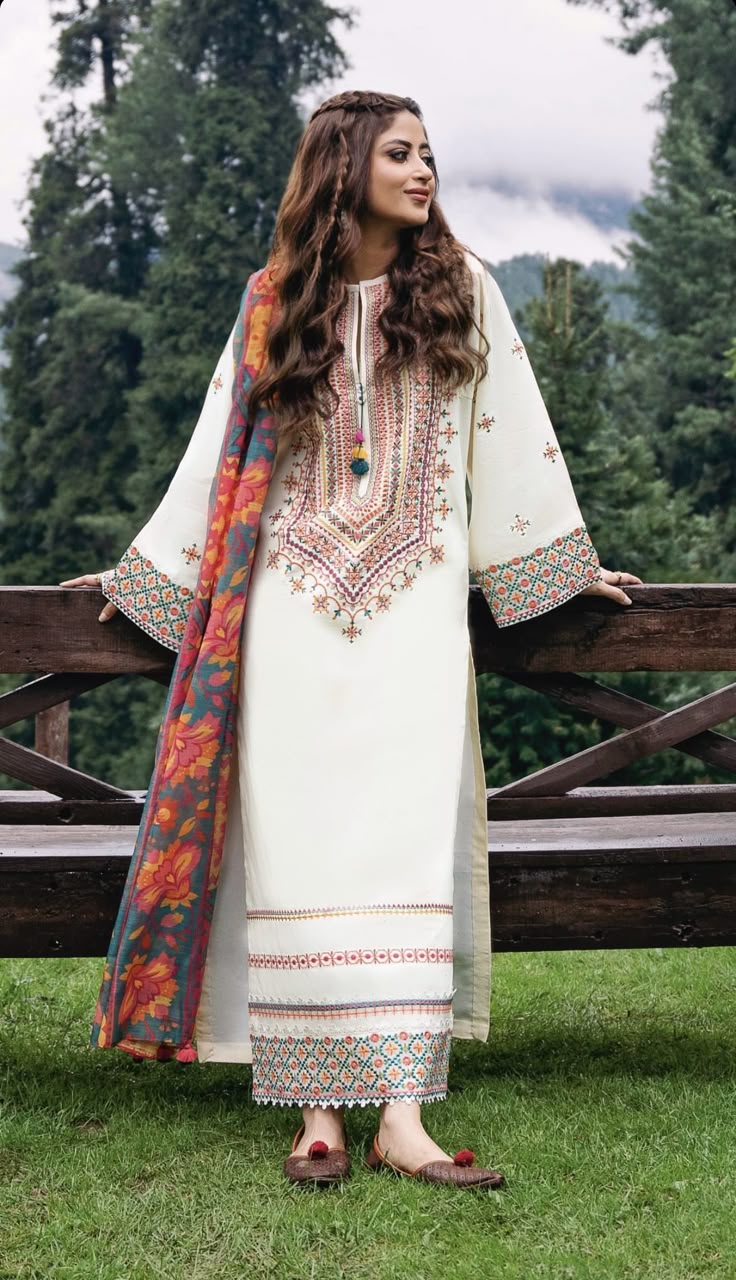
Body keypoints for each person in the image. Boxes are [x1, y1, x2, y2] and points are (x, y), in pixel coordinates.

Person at [61, 89, 641, 1190]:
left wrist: (560, 566)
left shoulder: (463, 290)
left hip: (417, 610)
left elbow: (508, 432)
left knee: (404, 840)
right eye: (400, 153)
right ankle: (318, 1110)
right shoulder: (274, 301)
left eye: (428, 154)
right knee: (301, 847)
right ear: (344, 168)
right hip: (288, 611)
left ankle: (404, 1115)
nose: (424, 171)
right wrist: (150, 572)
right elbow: (218, 451)